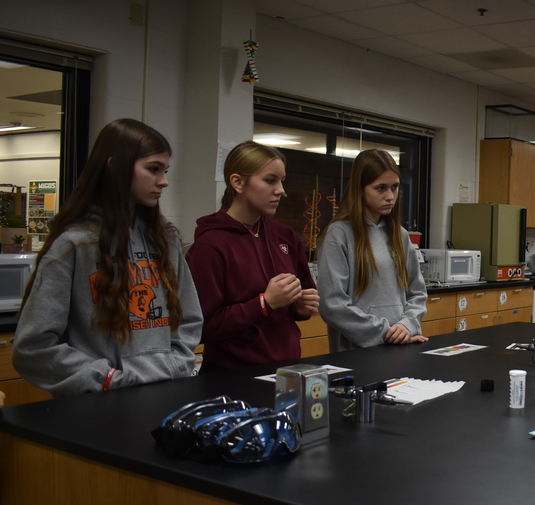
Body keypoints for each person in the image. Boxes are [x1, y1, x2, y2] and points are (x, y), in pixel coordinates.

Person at [13, 118, 203, 395]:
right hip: (98, 407)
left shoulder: (166, 239)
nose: (163, 181)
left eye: (165, 170)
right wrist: (106, 379)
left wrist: (175, 366)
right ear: (115, 167)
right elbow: (32, 348)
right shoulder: (74, 245)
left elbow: (189, 319)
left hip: (164, 394)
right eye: (153, 169)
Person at [186, 141, 319, 369]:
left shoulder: (285, 237)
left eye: (281, 181)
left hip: (287, 370)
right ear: (238, 182)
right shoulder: (210, 245)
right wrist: (264, 303)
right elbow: (202, 327)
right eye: (270, 181)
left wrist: (302, 306)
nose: (280, 190)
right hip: (232, 376)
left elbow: (302, 299)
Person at [318, 149, 427, 351]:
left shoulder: (400, 235)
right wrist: (384, 333)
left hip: (402, 344)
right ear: (360, 189)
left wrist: (407, 324)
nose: (390, 196)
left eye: (394, 187)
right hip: (358, 352)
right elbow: (332, 305)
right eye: (380, 188)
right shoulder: (339, 234)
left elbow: (417, 292)